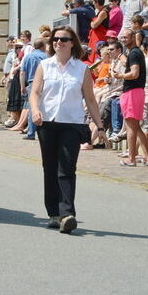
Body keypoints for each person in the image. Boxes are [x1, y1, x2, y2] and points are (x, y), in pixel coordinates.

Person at [29, 27, 101, 234]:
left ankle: (67, 213)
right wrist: (35, 111)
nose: (58, 42)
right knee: (49, 168)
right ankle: (53, 212)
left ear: (72, 43)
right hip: (47, 123)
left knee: (66, 169)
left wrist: (100, 125)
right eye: (55, 39)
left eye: (64, 39)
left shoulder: (82, 69)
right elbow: (35, 93)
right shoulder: (44, 65)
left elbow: (90, 99)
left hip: (72, 124)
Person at [117, 27, 147, 166]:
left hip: (132, 91)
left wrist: (120, 75)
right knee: (136, 127)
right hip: (136, 91)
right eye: (122, 37)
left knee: (131, 127)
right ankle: (147, 157)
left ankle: (131, 158)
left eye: (126, 37)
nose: (123, 39)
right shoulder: (134, 53)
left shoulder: (134, 53)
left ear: (133, 37)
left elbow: (134, 73)